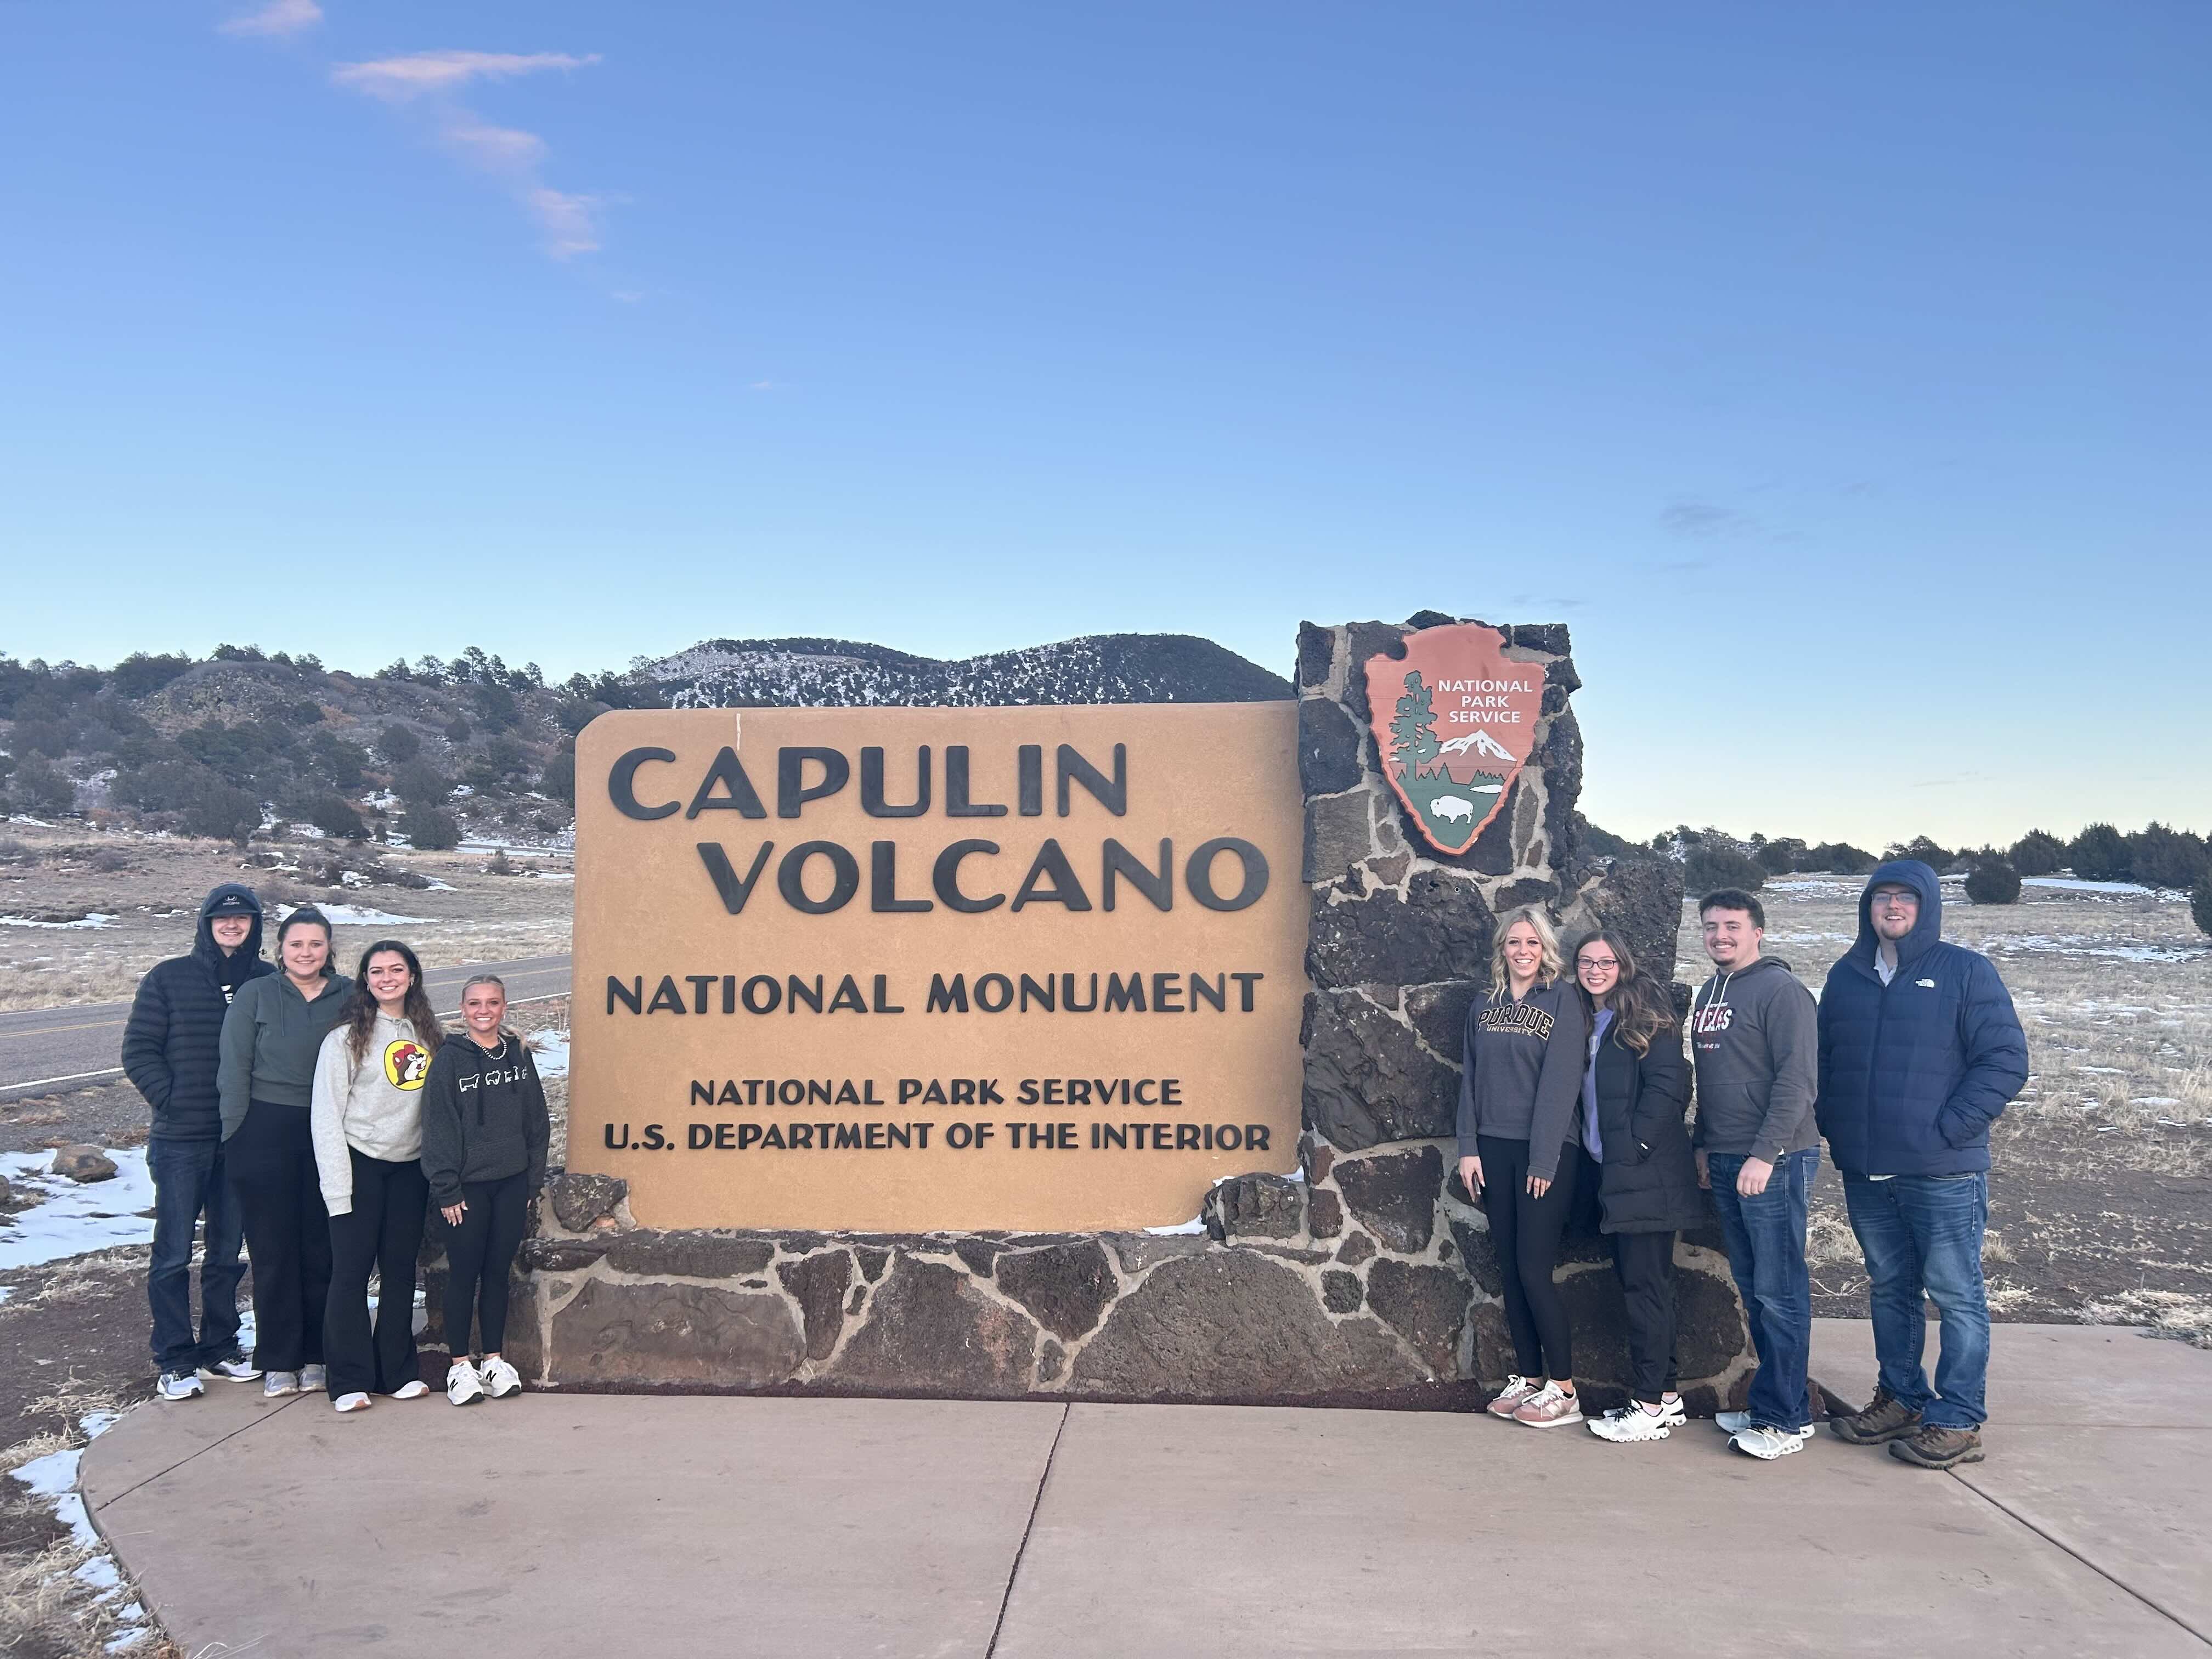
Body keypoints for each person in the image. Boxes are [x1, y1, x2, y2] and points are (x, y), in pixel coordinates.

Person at [1816, 860, 2027, 1470]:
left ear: (1927, 906)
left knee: (1956, 1294)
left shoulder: (1964, 972)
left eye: (1906, 897)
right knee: (1891, 1289)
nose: (1892, 906)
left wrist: (1948, 1128)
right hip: (1867, 1168)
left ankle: (1958, 1418)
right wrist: (1835, 1123)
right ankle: (1902, 1397)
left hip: (1943, 1171)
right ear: (1868, 907)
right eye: (1882, 897)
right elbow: (1826, 1061)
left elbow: (2005, 1061)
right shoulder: (1848, 975)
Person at [121, 883, 275, 1401]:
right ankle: (175, 1357)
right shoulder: (169, 978)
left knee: (228, 1252)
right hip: (181, 1139)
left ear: (255, 925)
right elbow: (139, 1049)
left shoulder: (266, 979)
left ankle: (219, 1348)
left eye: (243, 919)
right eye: (222, 918)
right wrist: (173, 1099)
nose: (232, 926)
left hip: (240, 1138)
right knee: (172, 1253)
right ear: (206, 924)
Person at [1689, 887, 1822, 1462]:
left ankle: (1786, 1419)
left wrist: (1765, 1154)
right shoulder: (1711, 992)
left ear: (1758, 932)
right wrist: (1702, 1145)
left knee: (1780, 1288)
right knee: (1754, 1287)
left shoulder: (1783, 991)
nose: (1721, 935)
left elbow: (1797, 1081)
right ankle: (1777, 1402)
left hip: (1773, 1158)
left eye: (1733, 926)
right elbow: (1712, 1081)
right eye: (1712, 926)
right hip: (1723, 1156)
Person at [1457, 907, 1592, 1429]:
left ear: (1545, 950)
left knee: (1535, 1268)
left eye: (1532, 943)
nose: (1523, 951)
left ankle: (1564, 1388)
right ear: (1502, 949)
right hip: (1492, 1149)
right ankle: (1531, 1378)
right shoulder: (1483, 1004)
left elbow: (1562, 1084)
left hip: (1546, 1151)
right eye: (1514, 943)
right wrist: (1469, 1147)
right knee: (1511, 1269)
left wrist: (1544, 1157)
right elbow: (1469, 1080)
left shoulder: (1563, 1000)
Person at [1571, 929, 1706, 1444]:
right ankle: (1665, 1396)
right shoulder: (1590, 1018)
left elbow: (1669, 1088)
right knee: (1645, 1285)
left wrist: (1635, 1150)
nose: (1596, 969)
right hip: (1618, 1174)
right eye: (1586, 961)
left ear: (1623, 965)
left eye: (1606, 961)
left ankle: (1648, 1403)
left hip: (1645, 1175)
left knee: (1645, 1289)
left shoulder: (1644, 1014)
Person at [219, 905, 352, 1400]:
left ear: (329, 949)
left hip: (330, 1130)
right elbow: (233, 1068)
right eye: (297, 944)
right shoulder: (255, 995)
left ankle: (317, 1355)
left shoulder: (351, 997)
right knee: (273, 1250)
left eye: (316, 944)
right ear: (281, 950)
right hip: (265, 1129)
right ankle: (278, 1358)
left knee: (323, 1246)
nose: (306, 953)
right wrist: (235, 1135)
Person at [312, 940, 442, 1414]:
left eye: (397, 970)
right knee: (350, 1274)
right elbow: (326, 1117)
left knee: (400, 1273)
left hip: (410, 1170)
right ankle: (348, 1379)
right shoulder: (344, 1040)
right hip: (359, 1165)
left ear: (413, 977)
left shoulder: (428, 1033)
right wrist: (337, 1189)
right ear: (365, 981)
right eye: (377, 971)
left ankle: (395, 1372)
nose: (388, 978)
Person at [422, 974, 549, 1407]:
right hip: (465, 1190)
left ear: (504, 1007)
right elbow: (438, 1129)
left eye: (492, 1002)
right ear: (462, 1010)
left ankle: (493, 1360)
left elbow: (537, 1122)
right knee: (465, 1273)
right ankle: (460, 1366)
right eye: (475, 1003)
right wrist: (446, 1188)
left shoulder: (518, 1055)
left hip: (511, 1184)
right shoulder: (449, 1061)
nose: (484, 1010)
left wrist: (531, 1181)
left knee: (498, 1272)